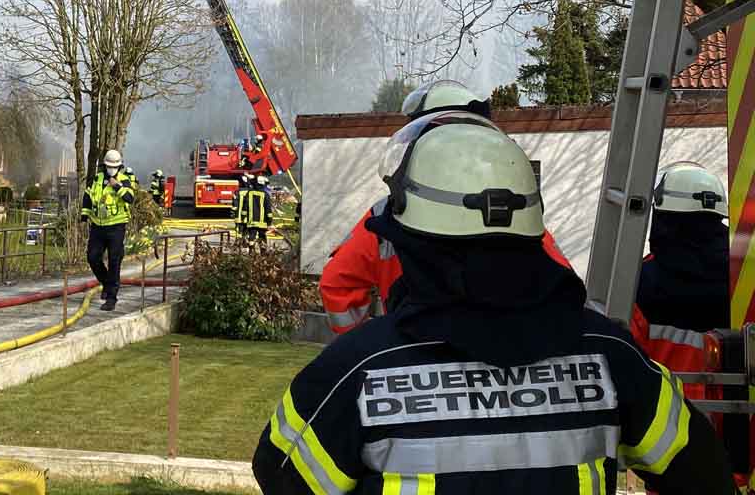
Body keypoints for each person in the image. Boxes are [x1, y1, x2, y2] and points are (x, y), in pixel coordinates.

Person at [252, 112, 735, 495]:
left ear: (417, 242)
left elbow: (282, 476)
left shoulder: (357, 373)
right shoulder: (612, 358)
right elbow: (702, 472)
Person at [319, 80, 569, 334]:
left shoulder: (387, 213)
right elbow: (561, 282)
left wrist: (366, 343)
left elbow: (336, 284)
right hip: (503, 352)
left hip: (411, 349)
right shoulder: (511, 212)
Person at [630, 161, 729, 400]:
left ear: (661, 216)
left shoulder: (640, 281)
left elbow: (626, 359)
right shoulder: (743, 276)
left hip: (671, 420)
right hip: (739, 418)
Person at [81, 149, 136, 312]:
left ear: (119, 166)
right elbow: (87, 197)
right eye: (109, 166)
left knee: (114, 261)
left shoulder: (124, 179)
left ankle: (111, 297)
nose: (111, 169)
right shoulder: (96, 179)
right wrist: (84, 217)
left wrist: (117, 186)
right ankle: (107, 283)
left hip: (116, 226)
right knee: (92, 257)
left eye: (115, 166)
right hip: (97, 225)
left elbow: (130, 198)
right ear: (104, 165)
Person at [247, 175, 272, 244]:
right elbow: (268, 210)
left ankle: (251, 252)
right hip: (262, 222)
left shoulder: (249, 193)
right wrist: (269, 222)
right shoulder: (265, 194)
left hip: (251, 221)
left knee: (251, 237)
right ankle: (263, 253)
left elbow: (245, 207)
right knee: (262, 237)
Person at [233, 173, 253, 240]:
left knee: (239, 230)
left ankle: (238, 242)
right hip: (247, 216)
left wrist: (233, 213)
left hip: (238, 217)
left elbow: (234, 204)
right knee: (246, 229)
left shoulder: (237, 192)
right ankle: (245, 240)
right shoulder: (250, 192)